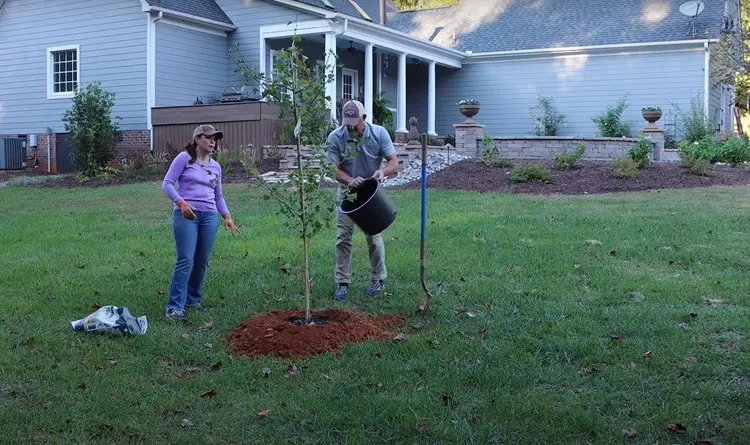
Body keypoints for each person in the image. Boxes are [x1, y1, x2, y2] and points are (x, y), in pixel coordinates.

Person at [161, 124, 239, 321]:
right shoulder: (184, 159)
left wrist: (227, 216)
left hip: (210, 216)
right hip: (187, 215)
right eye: (209, 137)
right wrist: (181, 203)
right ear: (197, 139)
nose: (213, 141)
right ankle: (175, 306)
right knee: (185, 259)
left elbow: (218, 195)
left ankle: (193, 300)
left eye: (215, 138)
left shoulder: (215, 166)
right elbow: (167, 184)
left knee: (202, 261)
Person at [326, 100, 399, 302]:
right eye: (347, 122)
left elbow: (394, 162)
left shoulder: (379, 134)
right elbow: (331, 169)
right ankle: (342, 283)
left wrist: (382, 172)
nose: (350, 127)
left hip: (371, 192)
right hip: (347, 192)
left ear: (364, 118)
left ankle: (378, 280)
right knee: (343, 237)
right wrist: (350, 180)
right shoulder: (336, 137)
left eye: (354, 122)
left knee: (374, 236)